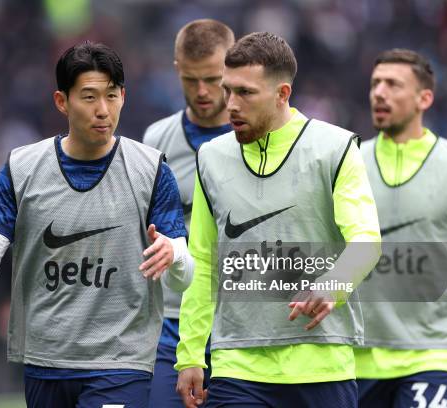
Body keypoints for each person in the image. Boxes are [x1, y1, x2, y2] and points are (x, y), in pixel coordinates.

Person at [0, 41, 195, 408]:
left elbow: (185, 275)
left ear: (123, 96)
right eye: (89, 97)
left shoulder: (152, 171)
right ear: (62, 102)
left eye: (112, 95)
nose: (103, 110)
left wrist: (175, 256)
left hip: (120, 362)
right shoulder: (21, 169)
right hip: (45, 361)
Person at [175, 32, 381, 408]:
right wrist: (189, 354)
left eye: (246, 93)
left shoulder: (334, 149)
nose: (231, 105)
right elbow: (203, 259)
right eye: (229, 90)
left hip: (322, 365)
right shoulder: (211, 158)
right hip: (238, 367)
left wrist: (333, 285)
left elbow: (367, 239)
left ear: (282, 94)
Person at [355, 49, 447, 408]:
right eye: (374, 84)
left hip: (436, 354)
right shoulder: (347, 163)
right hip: (357, 359)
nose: (379, 93)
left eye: (393, 84)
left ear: (424, 98)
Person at [142, 19, 234, 407]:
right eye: (191, 79)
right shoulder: (156, 141)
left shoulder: (256, 135)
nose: (202, 91)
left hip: (239, 322)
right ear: (177, 68)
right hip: (174, 321)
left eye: (213, 79)